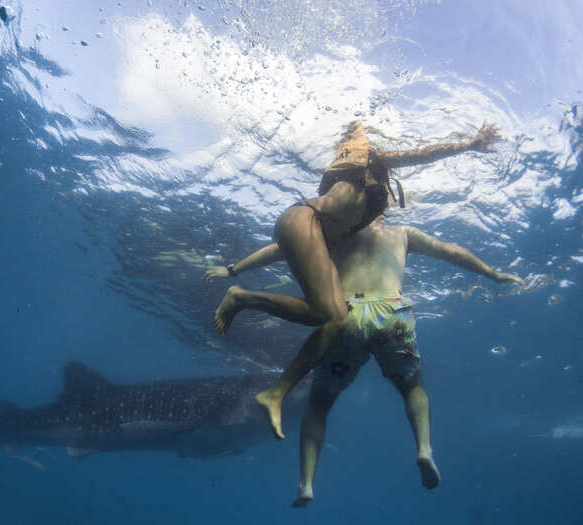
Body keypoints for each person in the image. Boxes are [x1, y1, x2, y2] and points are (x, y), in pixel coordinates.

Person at [205, 121, 502, 440]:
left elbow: (281, 249)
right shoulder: (366, 163)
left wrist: (234, 267)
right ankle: (240, 298)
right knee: (327, 315)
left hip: (303, 225)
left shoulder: (348, 210)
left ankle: (276, 394)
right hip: (302, 220)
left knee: (335, 320)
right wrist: (469, 145)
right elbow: (421, 155)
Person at [206, 217, 523, 506]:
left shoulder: (333, 235)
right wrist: (492, 273)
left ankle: (306, 484)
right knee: (413, 389)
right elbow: (450, 250)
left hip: (348, 315)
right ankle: (424, 450)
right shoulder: (402, 233)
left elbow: (282, 249)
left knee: (319, 404)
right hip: (392, 312)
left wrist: (233, 270)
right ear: (381, 208)